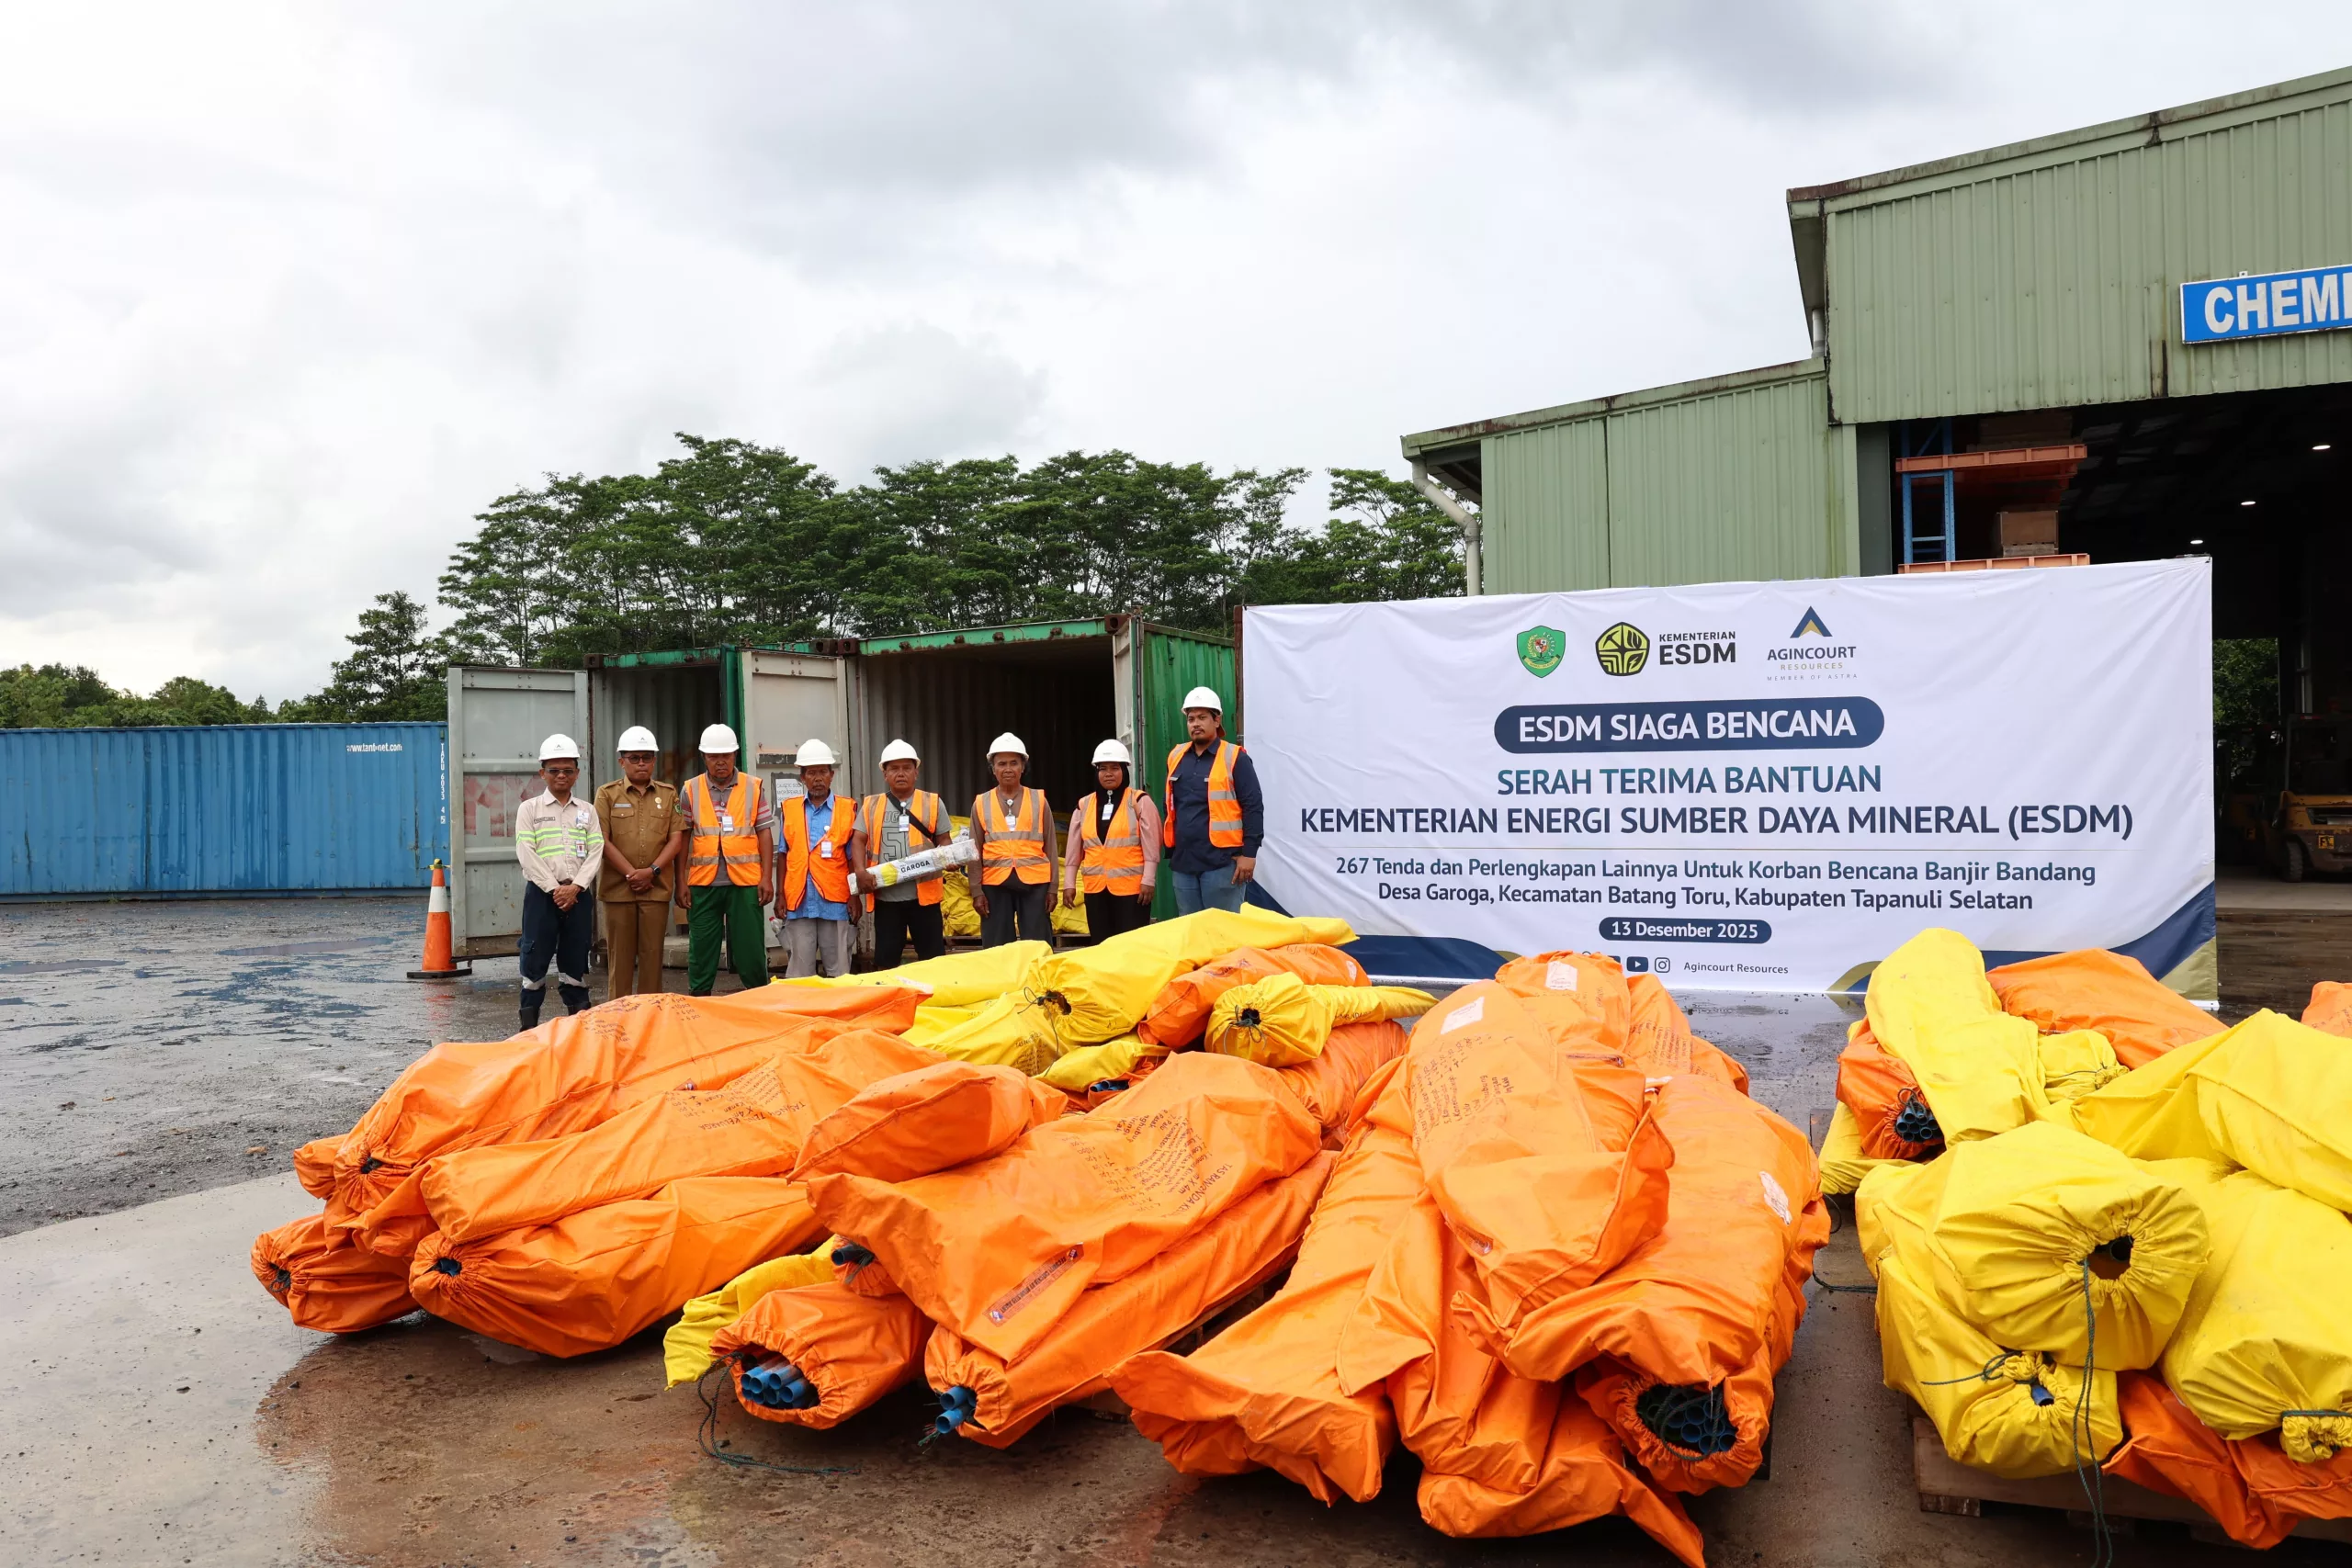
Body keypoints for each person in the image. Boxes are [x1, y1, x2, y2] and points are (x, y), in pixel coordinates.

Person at [514, 733, 605, 1029]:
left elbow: (596, 850)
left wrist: (576, 887)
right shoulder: (529, 810)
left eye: (568, 770)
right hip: (543, 896)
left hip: (578, 895)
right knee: (534, 962)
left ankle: (579, 1034)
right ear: (542, 773)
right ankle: (528, 1034)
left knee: (575, 962)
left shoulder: (587, 811)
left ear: (577, 774)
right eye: (554, 770)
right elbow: (525, 852)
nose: (561, 775)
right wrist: (555, 889)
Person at [678, 722, 774, 995]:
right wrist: (681, 882)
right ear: (704, 757)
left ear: (735, 756)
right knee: (701, 949)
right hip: (703, 884)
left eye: (726, 756)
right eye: (713, 756)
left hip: (745, 884)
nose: (720, 762)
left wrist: (766, 878)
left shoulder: (753, 788)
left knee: (750, 948)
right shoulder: (690, 789)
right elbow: (683, 836)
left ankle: (759, 999)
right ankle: (699, 1002)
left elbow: (764, 833)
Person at [594, 725, 684, 998]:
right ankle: (618, 1020)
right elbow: (602, 840)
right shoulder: (607, 794)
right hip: (618, 891)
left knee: (652, 958)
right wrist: (633, 874)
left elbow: (676, 839)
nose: (641, 763)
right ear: (622, 761)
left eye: (646, 757)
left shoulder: (668, 794)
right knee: (619, 961)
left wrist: (653, 872)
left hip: (655, 890)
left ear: (654, 760)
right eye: (634, 758)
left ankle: (650, 1019)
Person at [853, 738, 954, 968]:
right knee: (886, 962)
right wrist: (860, 871)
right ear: (885, 774)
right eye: (894, 768)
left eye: (907, 768)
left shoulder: (933, 803)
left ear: (916, 772)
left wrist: (950, 856)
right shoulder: (872, 805)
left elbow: (944, 840)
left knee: (933, 962)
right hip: (887, 899)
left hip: (924, 898)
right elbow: (858, 840)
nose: (901, 773)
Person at [1162, 685, 1262, 915]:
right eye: (1191, 718)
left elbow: (1253, 807)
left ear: (1217, 721)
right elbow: (1169, 805)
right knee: (1193, 934)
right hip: (1184, 862)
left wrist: (1249, 854)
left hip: (1222, 863)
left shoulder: (1235, 757)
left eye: (1202, 717)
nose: (1195, 723)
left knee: (1223, 934)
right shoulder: (1176, 756)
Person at [1061, 738, 1160, 942]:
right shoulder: (1084, 805)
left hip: (1132, 891)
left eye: (1114, 768)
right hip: (1096, 889)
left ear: (1124, 771)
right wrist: (1069, 883)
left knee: (1131, 946)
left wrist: (1148, 880)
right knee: (1101, 944)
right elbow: (1073, 852)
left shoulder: (1139, 801)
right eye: (1103, 768)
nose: (1108, 774)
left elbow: (1152, 846)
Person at [775, 738, 859, 978]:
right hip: (799, 901)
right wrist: (781, 895)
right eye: (811, 773)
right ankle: (803, 1016)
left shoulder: (848, 808)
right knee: (801, 974)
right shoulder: (789, 809)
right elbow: (783, 854)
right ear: (802, 777)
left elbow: (852, 858)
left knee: (839, 972)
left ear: (832, 775)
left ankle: (840, 1015)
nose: (818, 778)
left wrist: (855, 897)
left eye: (823, 771)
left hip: (835, 901)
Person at [968, 731, 1057, 947]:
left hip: (1035, 884)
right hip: (994, 883)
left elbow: (1051, 846)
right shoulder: (981, 803)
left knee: (1036, 945)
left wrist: (1053, 888)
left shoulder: (1039, 800)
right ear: (993, 769)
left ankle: (1037, 981)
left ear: (1023, 767)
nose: (1008, 769)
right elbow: (973, 850)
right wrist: (976, 890)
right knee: (997, 946)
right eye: (1001, 764)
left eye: (1013, 763)